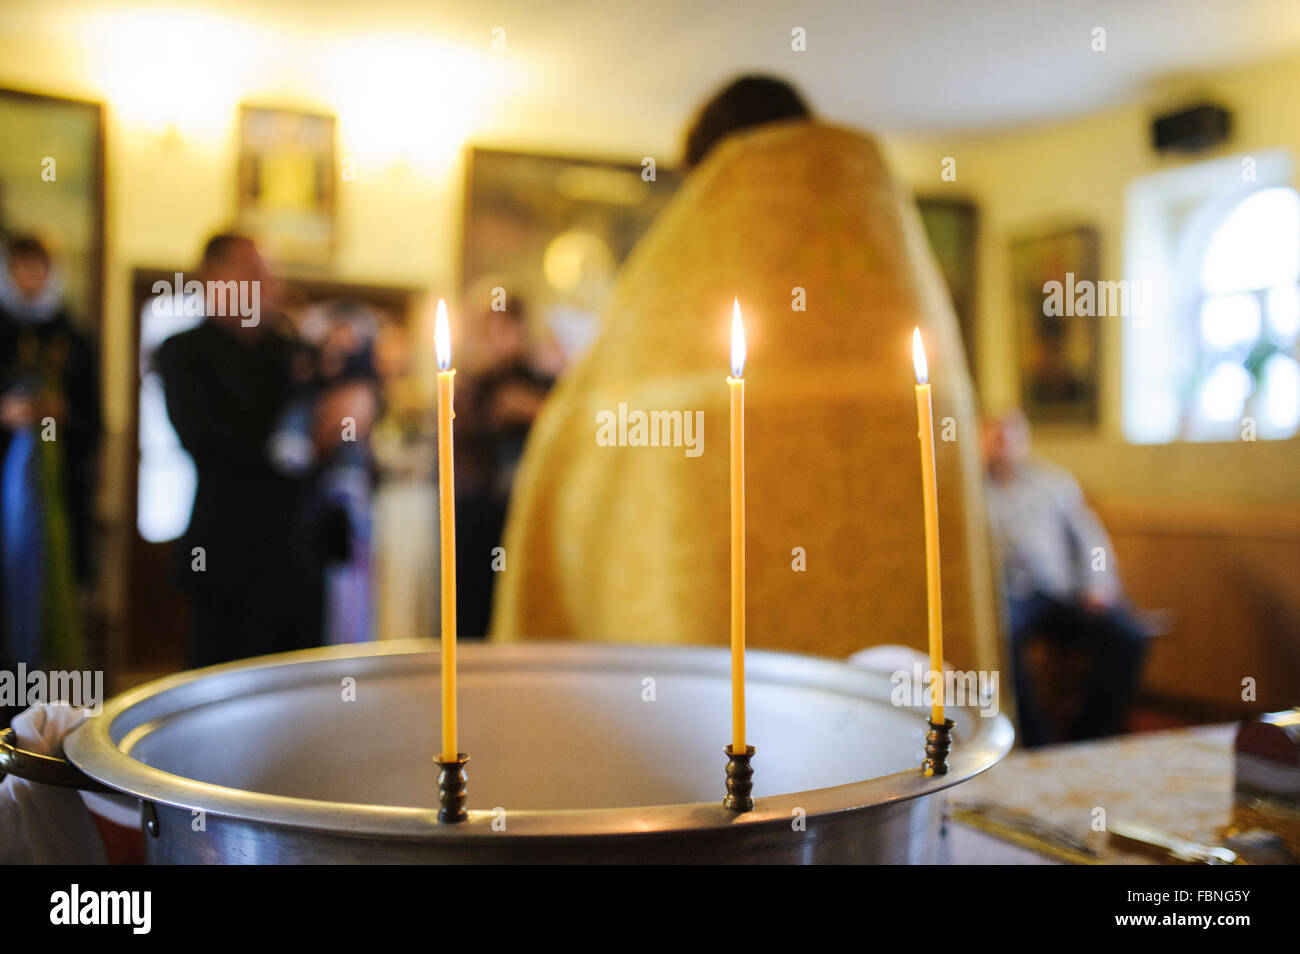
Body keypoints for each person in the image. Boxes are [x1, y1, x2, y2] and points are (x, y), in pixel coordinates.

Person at [489, 75, 1002, 676]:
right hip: (900, 658)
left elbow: (582, 434)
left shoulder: (688, 279)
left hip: (720, 647)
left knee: (733, 743)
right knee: (900, 740)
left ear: (713, 172)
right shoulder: (883, 248)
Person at [155, 234, 320, 666]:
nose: (270, 287)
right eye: (254, 275)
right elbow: (212, 442)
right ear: (213, 278)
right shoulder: (183, 353)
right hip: (224, 558)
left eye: (271, 277)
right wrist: (308, 436)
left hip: (297, 558)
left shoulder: (292, 351)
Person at [981, 408, 1148, 746]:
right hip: (1008, 596)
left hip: (1062, 591)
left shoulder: (1053, 484)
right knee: (1001, 638)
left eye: (1011, 433)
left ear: (1024, 439)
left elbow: (1091, 541)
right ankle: (1035, 740)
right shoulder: (968, 490)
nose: (1003, 442)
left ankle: (1088, 736)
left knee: (1129, 637)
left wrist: (1098, 583)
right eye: (994, 434)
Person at [0, 236, 101, 690]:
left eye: (37, 267)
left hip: (60, 496)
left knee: (57, 611)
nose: (29, 277)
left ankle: (47, 720)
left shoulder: (73, 337)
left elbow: (93, 421)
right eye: (20, 267)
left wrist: (62, 413)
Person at [455, 296, 554, 637]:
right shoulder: (472, 386)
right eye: (490, 331)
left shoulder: (540, 381)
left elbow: (565, 429)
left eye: (506, 329)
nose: (498, 340)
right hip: (479, 516)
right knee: (473, 607)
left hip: (525, 511)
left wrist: (534, 410)